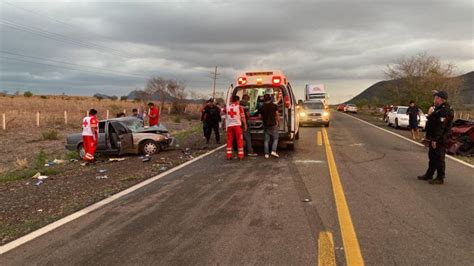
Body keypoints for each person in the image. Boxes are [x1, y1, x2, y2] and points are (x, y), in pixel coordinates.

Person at [418, 91, 454, 185]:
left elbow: (441, 126)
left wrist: (435, 139)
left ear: (439, 99)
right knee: (432, 157)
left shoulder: (444, 110)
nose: (434, 99)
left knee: (439, 158)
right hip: (434, 137)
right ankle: (429, 174)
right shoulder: (439, 108)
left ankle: (440, 178)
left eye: (435, 97)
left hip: (440, 138)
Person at [225, 95, 246, 160]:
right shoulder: (239, 107)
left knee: (229, 141)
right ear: (237, 100)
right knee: (239, 140)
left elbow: (222, 113)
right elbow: (243, 117)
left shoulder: (227, 107)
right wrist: (245, 125)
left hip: (229, 126)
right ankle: (241, 156)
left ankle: (229, 155)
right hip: (237, 126)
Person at [260, 94, 280, 159]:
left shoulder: (262, 107)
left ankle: (266, 154)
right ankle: (273, 151)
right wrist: (278, 123)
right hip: (273, 125)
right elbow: (277, 115)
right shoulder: (274, 106)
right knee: (275, 138)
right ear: (270, 99)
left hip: (265, 125)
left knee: (266, 140)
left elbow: (260, 116)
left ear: (264, 99)